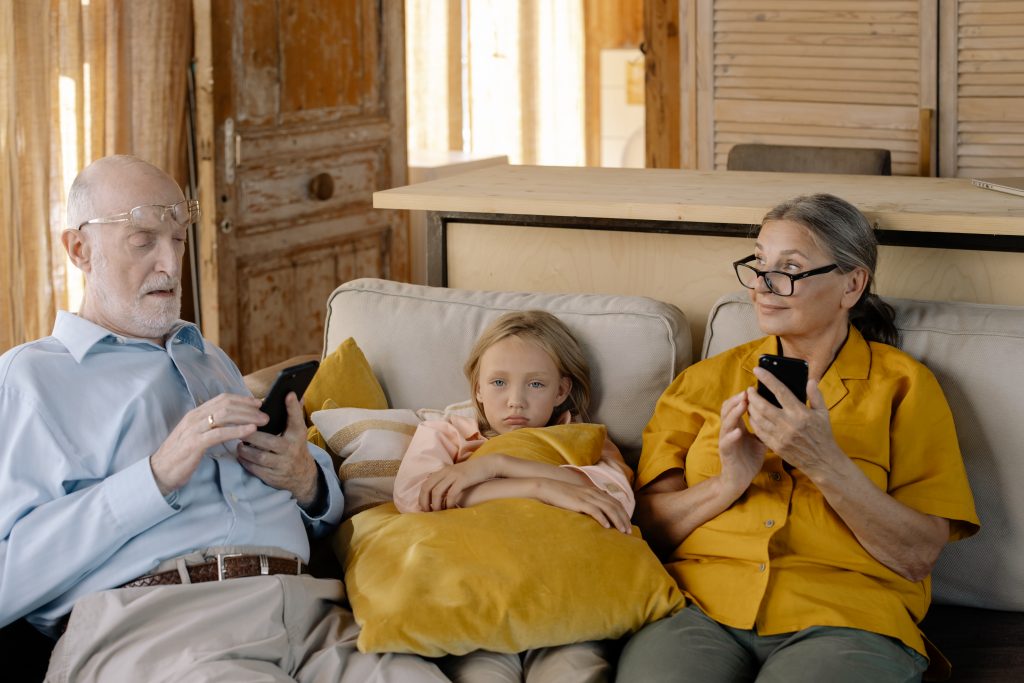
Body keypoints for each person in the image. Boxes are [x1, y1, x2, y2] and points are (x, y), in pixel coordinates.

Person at [0, 155, 448, 682]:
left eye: (179, 238)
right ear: (80, 249)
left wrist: (306, 481)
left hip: (309, 613)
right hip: (162, 629)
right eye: (144, 239)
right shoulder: (29, 378)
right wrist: (157, 473)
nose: (170, 263)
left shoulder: (208, 358)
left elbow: (318, 503)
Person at [617, 193, 980, 683]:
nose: (765, 287)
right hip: (697, 606)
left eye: (789, 268)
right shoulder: (702, 383)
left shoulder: (905, 387)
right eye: (760, 264)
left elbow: (916, 557)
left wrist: (825, 462)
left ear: (852, 285)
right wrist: (727, 483)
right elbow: (646, 532)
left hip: (848, 618)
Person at [393, 310, 635, 682]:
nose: (515, 401)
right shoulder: (447, 434)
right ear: (477, 388)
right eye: (498, 382)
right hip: (477, 597)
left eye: (535, 384)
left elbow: (612, 498)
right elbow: (417, 497)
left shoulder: (586, 442)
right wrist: (539, 487)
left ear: (562, 390)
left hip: (566, 599)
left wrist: (492, 466)